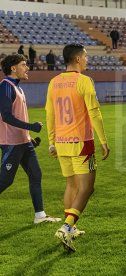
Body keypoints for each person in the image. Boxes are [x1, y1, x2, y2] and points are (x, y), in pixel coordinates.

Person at [46, 44, 110, 252]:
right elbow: (95, 113)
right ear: (77, 59)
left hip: (62, 143)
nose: (87, 59)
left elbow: (50, 114)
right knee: (87, 187)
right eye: (85, 56)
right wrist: (103, 141)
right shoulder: (84, 81)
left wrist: (51, 141)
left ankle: (70, 227)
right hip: (81, 143)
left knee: (71, 185)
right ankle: (66, 227)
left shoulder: (54, 82)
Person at [0, 54, 61, 224]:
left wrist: (29, 136)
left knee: (36, 174)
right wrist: (31, 126)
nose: (27, 68)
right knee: (5, 180)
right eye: (24, 64)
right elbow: (6, 117)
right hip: (11, 143)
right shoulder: (5, 87)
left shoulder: (18, 88)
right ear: (13, 68)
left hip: (24, 142)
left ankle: (39, 216)